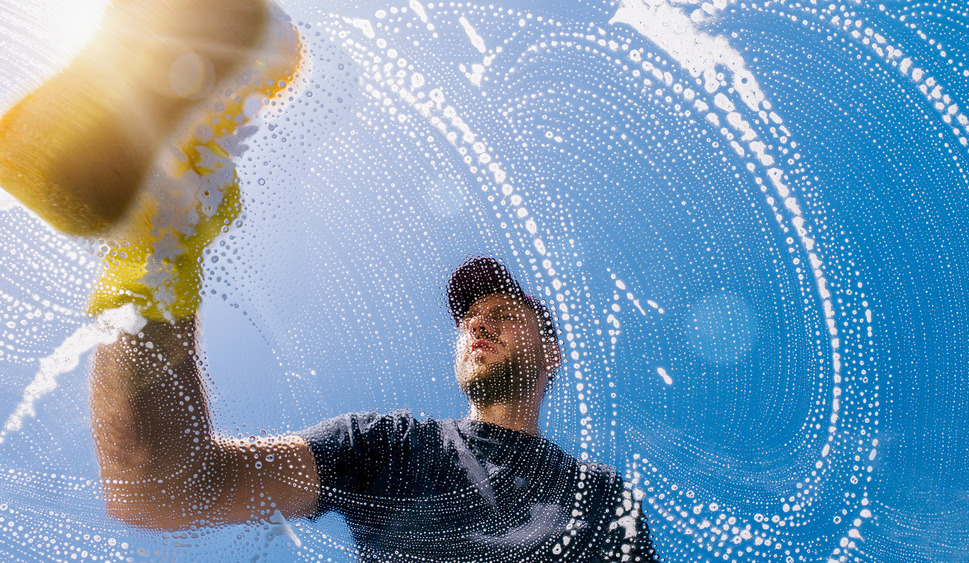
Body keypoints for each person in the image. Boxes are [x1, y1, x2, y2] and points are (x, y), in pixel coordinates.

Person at [0, 1, 659, 561]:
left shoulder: (602, 499)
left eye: (503, 311)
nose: (476, 322)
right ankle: (164, 226)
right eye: (467, 317)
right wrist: (151, 265)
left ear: (552, 351)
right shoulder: (392, 446)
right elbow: (159, 486)